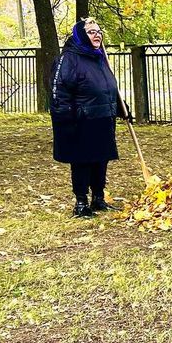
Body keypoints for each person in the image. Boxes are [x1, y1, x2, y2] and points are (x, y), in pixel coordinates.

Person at [50, 18, 129, 218]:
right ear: (80, 36)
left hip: (102, 118)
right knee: (83, 161)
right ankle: (81, 203)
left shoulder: (99, 57)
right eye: (91, 32)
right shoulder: (68, 59)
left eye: (99, 31)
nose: (97, 35)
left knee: (101, 159)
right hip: (81, 120)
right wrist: (65, 119)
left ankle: (98, 198)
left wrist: (120, 107)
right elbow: (59, 91)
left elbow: (107, 88)